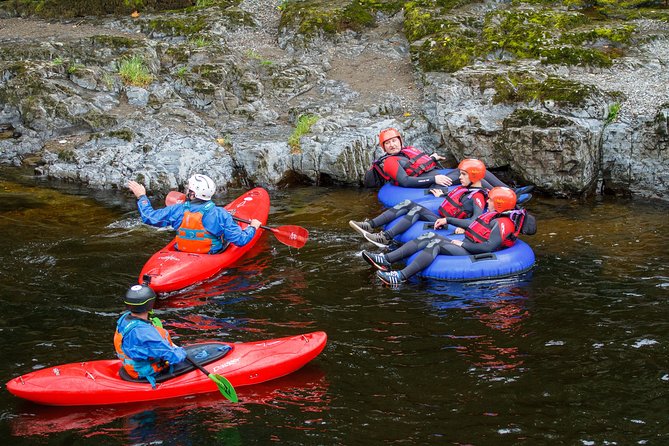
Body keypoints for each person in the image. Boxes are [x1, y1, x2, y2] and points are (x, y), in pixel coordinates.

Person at [362, 187, 520, 285]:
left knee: (435, 244)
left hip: (473, 251)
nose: (488, 202)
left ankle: (401, 277)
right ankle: (386, 260)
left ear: (499, 204)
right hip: (469, 244)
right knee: (428, 235)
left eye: (491, 200)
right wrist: (449, 220)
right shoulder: (493, 216)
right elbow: (474, 226)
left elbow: (488, 247)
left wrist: (462, 244)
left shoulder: (503, 224)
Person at [351, 158, 489, 247]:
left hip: (451, 225)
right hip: (441, 218)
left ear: (474, 176)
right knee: (407, 203)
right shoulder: (467, 187)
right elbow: (460, 195)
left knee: (416, 210)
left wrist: (451, 222)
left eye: (463, 174)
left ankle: (385, 238)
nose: (459, 177)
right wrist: (444, 193)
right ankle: (370, 225)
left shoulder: (478, 197)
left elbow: (474, 222)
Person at [364, 127, 533, 194]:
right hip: (429, 184)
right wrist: (434, 179)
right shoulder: (390, 162)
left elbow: (414, 165)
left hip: (433, 176)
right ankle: (500, 195)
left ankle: (507, 191)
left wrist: (431, 158)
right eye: (388, 143)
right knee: (472, 172)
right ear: (383, 148)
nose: (392, 145)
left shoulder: (405, 151)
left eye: (394, 141)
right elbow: (406, 181)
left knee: (478, 169)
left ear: (400, 141)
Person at [127, 174, 262, 254]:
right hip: (209, 254)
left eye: (188, 189)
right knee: (229, 230)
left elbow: (149, 217)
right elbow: (241, 240)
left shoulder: (177, 210)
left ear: (192, 194)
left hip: (182, 252)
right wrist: (253, 227)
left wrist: (141, 196)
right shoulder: (220, 214)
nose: (186, 190)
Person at [114, 284, 187, 387]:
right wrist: (181, 352)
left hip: (131, 365)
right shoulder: (146, 335)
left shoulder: (125, 319)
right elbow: (175, 358)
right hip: (145, 373)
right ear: (150, 305)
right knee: (176, 356)